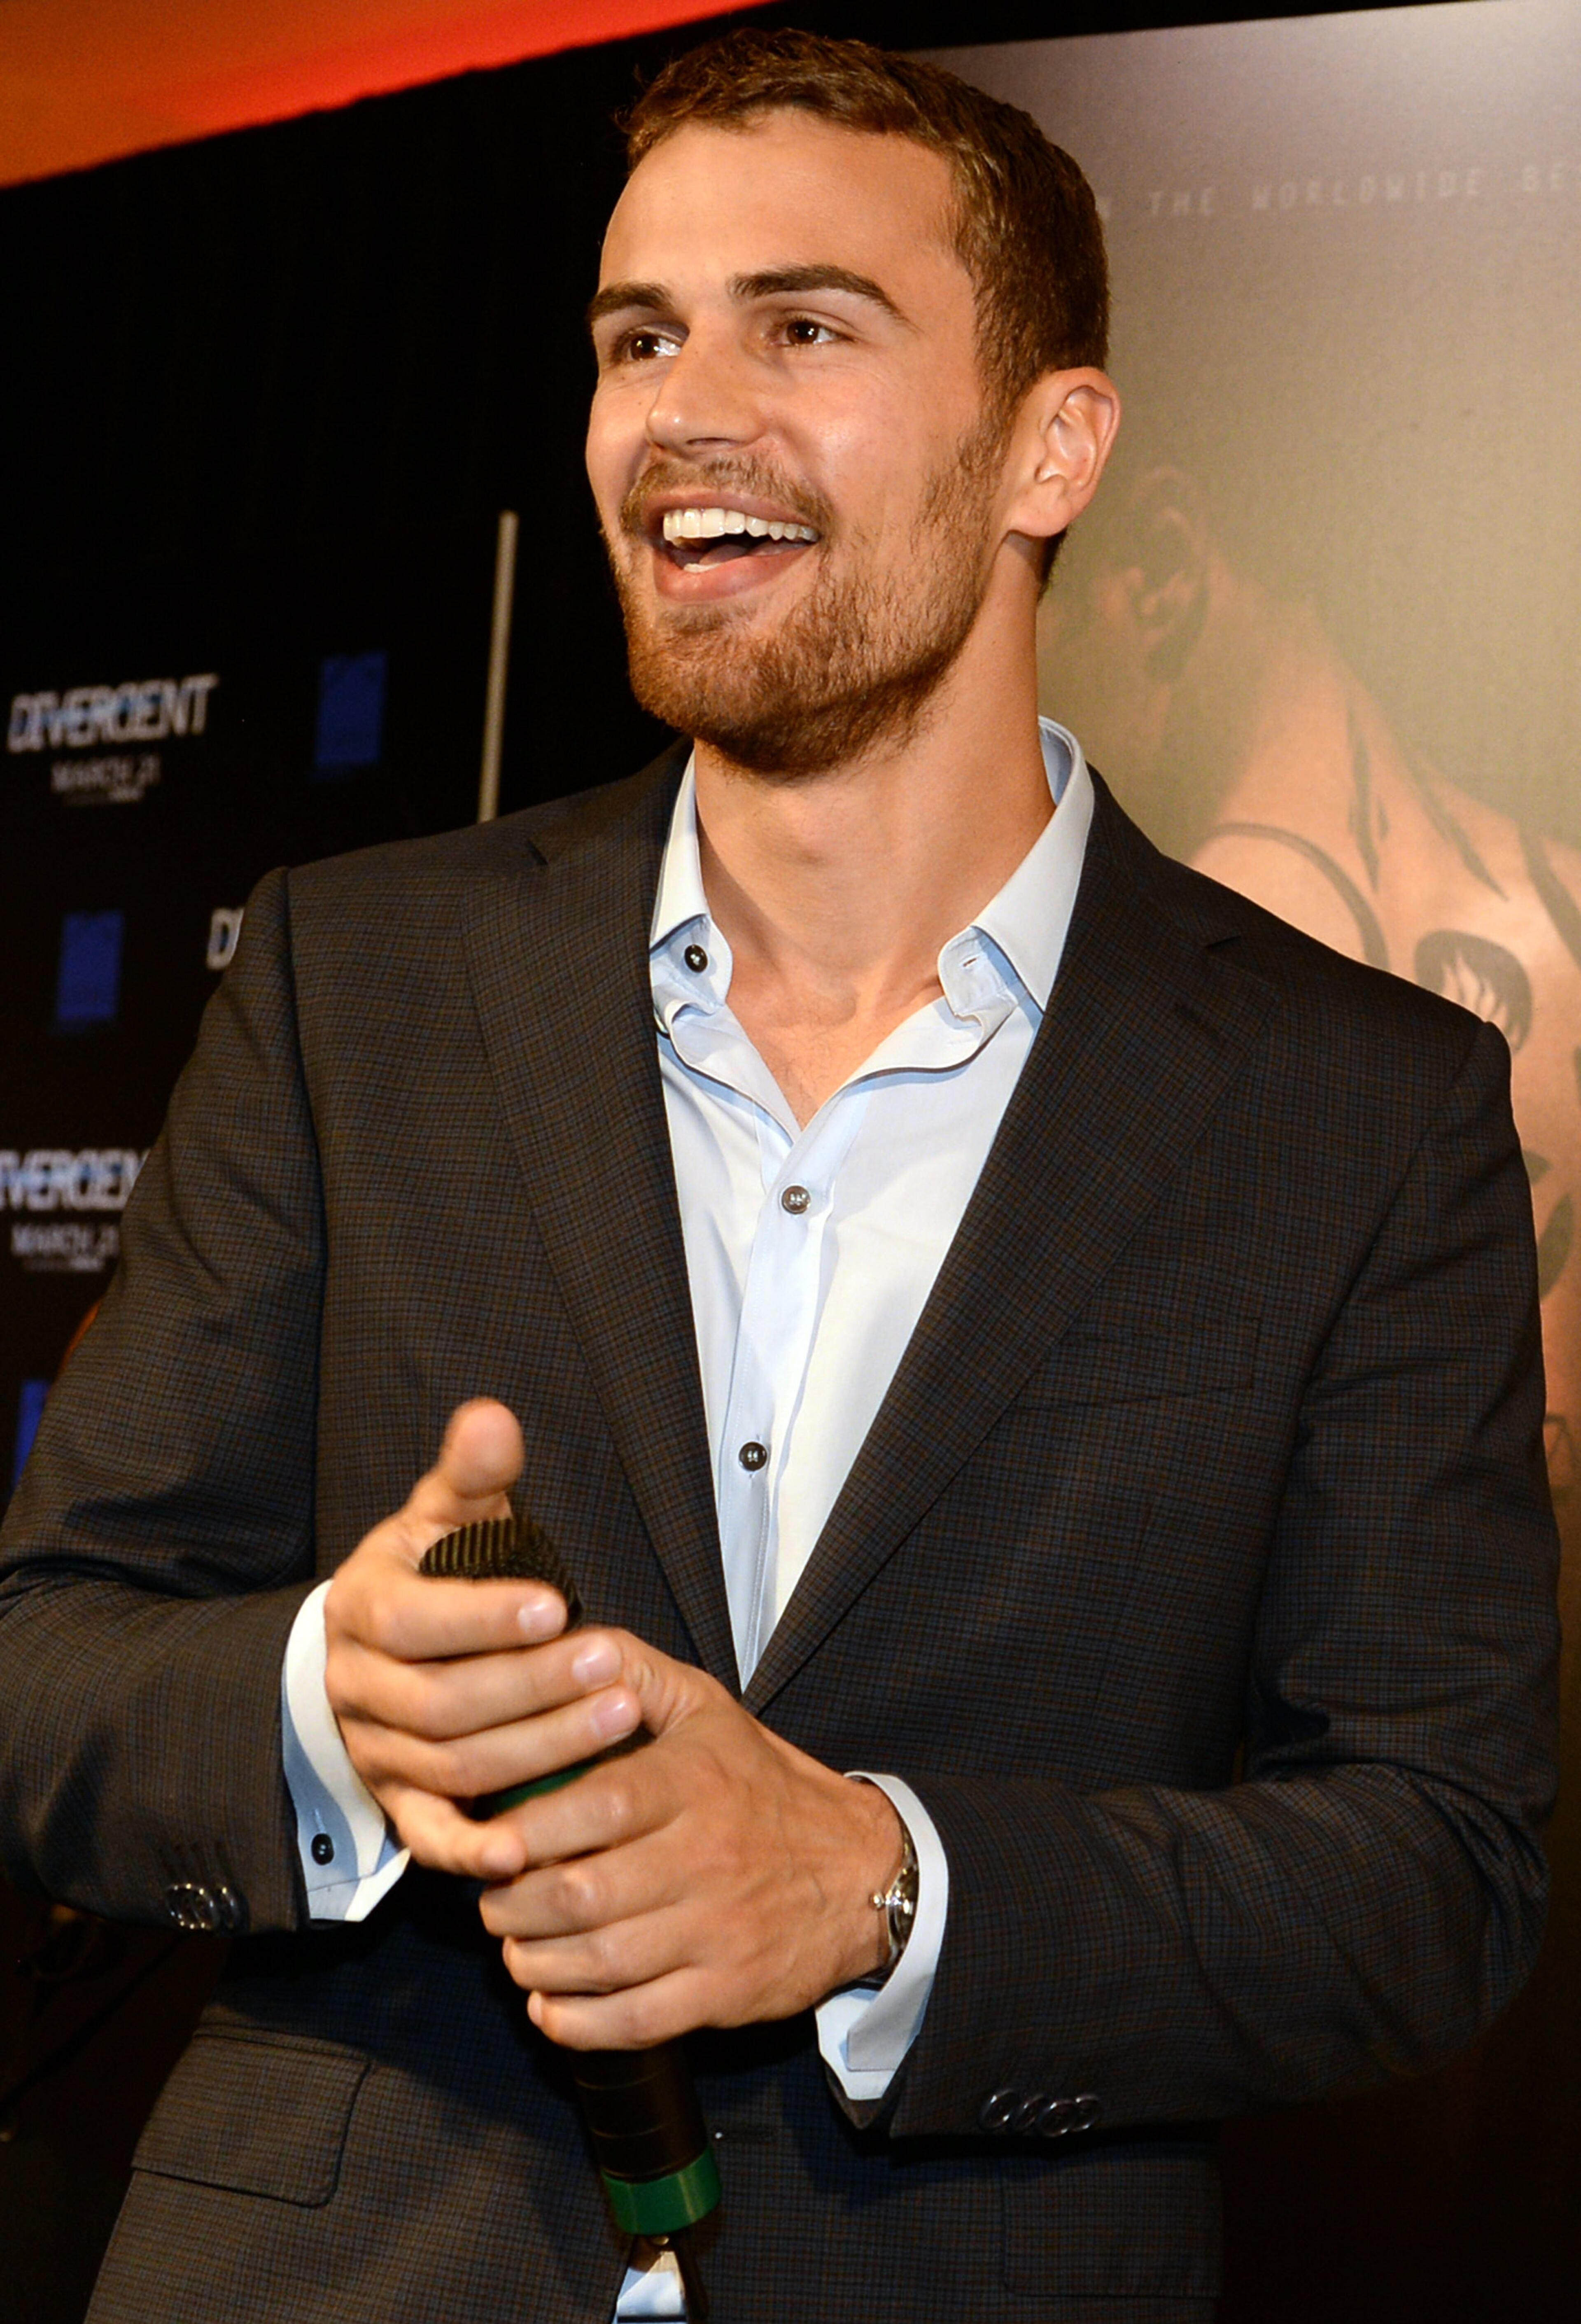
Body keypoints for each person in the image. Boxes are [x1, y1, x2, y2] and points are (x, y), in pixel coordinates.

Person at [0, 30, 1560, 2324]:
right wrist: (341, 1702)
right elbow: (50, 1673)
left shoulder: (1367, 1104)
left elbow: (1436, 1873)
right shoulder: (364, 978)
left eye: (802, 325)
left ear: (1055, 445)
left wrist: (878, 1889)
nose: (682, 411)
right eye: (641, 337)